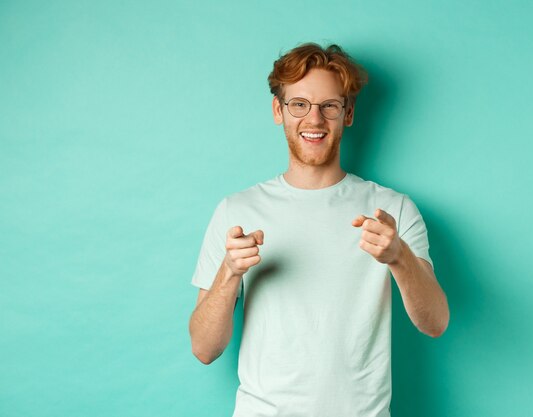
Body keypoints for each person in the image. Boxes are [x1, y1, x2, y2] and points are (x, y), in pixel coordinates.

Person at [188, 42, 449, 417]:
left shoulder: (393, 210)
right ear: (279, 110)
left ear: (348, 113)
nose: (314, 120)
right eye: (299, 104)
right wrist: (229, 272)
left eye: (329, 105)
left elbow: (436, 322)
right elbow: (204, 348)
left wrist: (399, 257)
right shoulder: (237, 211)